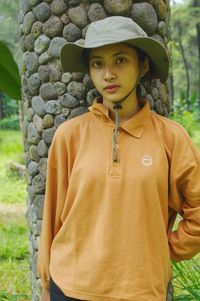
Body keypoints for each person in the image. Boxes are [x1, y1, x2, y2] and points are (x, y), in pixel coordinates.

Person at [37, 16, 200, 301]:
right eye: (98, 63)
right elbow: (52, 216)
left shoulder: (170, 138)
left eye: (121, 60)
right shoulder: (69, 136)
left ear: (143, 66)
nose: (108, 74)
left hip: (141, 290)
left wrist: (163, 248)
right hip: (72, 286)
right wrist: (46, 278)